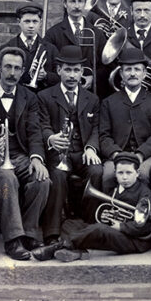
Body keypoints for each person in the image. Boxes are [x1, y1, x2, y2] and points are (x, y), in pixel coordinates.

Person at [0, 47, 51, 260]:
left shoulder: (30, 97)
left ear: (23, 71)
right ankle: (13, 240)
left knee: (42, 180)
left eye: (17, 68)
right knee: (6, 179)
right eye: (8, 67)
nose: (12, 73)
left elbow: (34, 131)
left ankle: (30, 233)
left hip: (21, 155)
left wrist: (36, 159)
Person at [32, 152, 151, 262]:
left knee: (99, 229)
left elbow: (148, 226)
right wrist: (106, 216)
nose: (125, 177)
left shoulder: (145, 193)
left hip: (134, 240)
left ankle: (57, 247)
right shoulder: (114, 189)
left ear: (137, 173)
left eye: (129, 172)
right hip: (113, 232)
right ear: (115, 173)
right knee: (69, 224)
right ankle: (78, 251)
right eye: (120, 173)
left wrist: (121, 226)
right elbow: (107, 212)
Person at [37, 46, 103, 236]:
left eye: (76, 70)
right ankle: (52, 231)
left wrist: (91, 148)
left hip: (82, 152)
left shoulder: (92, 99)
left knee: (97, 171)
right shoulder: (44, 96)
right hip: (58, 153)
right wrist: (51, 138)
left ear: (82, 72)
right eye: (68, 69)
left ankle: (89, 226)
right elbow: (42, 125)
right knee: (57, 175)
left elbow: (97, 127)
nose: (72, 75)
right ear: (58, 70)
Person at [99, 47, 151, 192]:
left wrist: (141, 154)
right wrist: (116, 155)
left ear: (144, 74)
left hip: (147, 156)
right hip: (117, 155)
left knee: (143, 174)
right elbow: (103, 135)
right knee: (109, 176)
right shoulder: (108, 102)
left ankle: (144, 212)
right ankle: (111, 212)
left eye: (137, 69)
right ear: (121, 74)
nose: (132, 73)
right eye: (128, 69)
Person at [45, 0, 108, 94]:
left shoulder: (97, 33)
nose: (77, 6)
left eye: (80, 1)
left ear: (84, 4)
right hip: (62, 91)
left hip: (91, 92)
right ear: (65, 4)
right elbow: (50, 65)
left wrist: (93, 77)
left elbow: (106, 65)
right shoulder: (53, 33)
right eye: (72, 1)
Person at [0, 2, 59, 92]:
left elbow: (60, 77)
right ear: (19, 22)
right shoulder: (7, 48)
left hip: (41, 99)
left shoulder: (51, 49)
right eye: (27, 21)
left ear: (40, 23)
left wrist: (46, 75)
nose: (31, 26)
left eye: (35, 21)